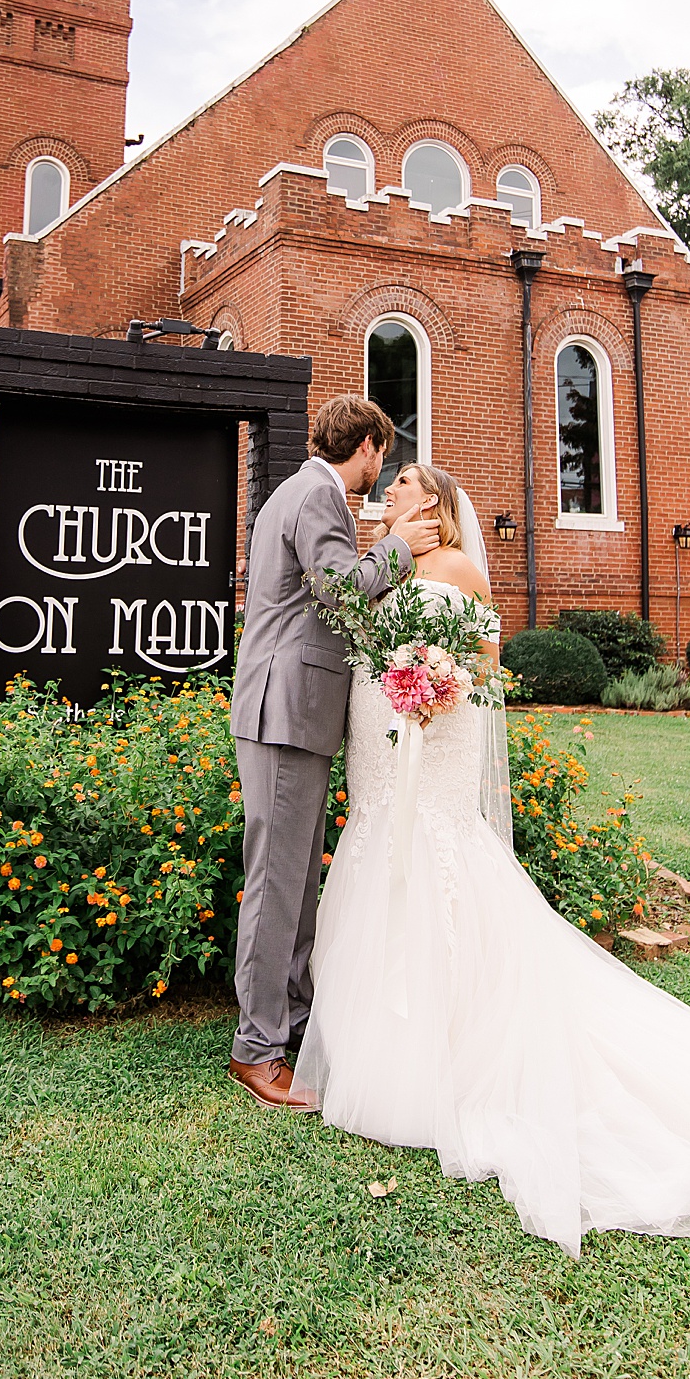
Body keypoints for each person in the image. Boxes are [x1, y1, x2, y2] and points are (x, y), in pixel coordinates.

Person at [294, 460, 690, 1258]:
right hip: (382, 743)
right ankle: (378, 1045)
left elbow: (487, 652)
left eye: (399, 486)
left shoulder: (454, 564)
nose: (386, 492)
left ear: (432, 502)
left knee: (436, 862)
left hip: (434, 740)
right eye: (385, 485)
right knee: (381, 852)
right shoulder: (385, 561)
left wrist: (442, 681)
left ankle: (444, 1052)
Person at [227, 394, 441, 1108]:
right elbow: (338, 591)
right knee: (277, 884)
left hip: (295, 712)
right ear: (370, 447)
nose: (381, 472)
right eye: (383, 456)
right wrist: (399, 550)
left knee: (295, 882)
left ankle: (289, 1023)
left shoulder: (297, 492)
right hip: (284, 711)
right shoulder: (318, 496)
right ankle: (256, 1051)